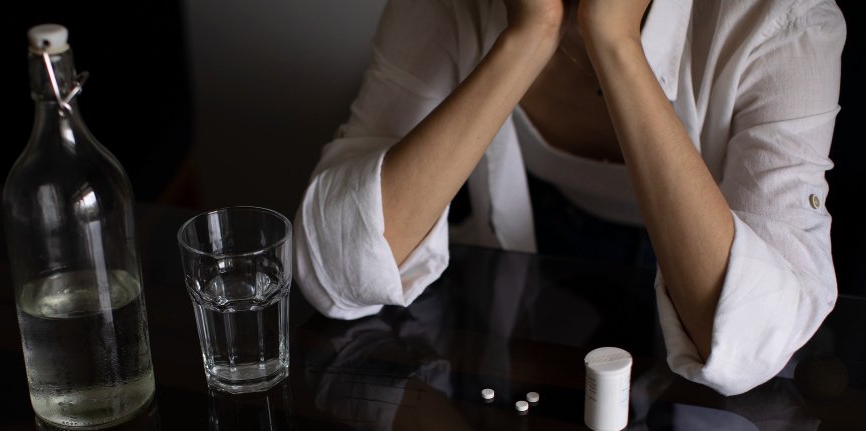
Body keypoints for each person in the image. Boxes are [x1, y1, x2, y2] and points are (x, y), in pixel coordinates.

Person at [292, 0, 846, 396]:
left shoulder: (785, 20)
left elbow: (749, 342)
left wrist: (615, 44)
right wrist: (528, 38)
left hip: (690, 289)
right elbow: (335, 272)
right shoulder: (447, 7)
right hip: (526, 264)